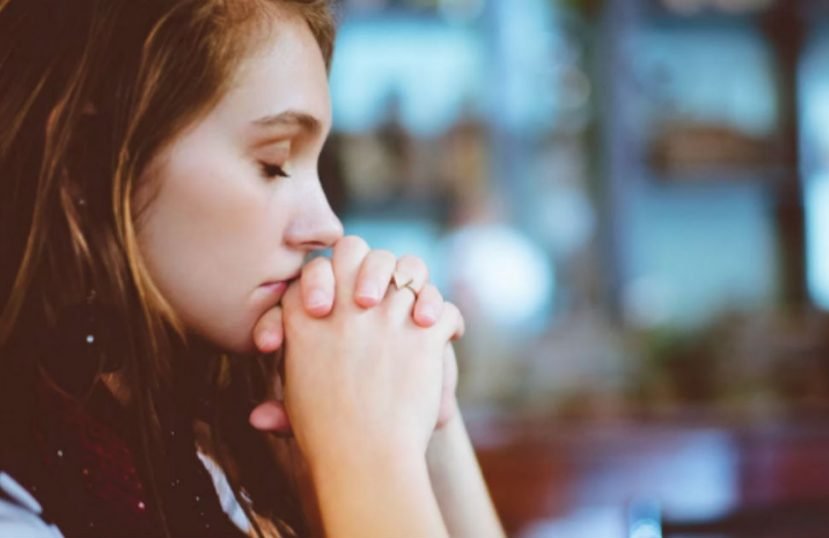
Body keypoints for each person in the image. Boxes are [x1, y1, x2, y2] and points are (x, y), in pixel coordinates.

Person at [0, 0, 504, 536]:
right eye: (273, 162)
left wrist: (430, 426)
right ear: (88, 161)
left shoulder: (221, 439)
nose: (327, 226)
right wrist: (366, 454)